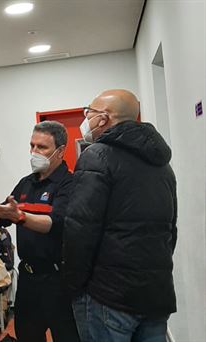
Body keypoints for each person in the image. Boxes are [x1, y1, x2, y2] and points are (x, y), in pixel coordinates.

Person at [64, 89, 177, 342]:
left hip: (109, 296)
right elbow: (171, 230)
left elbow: (80, 230)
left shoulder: (97, 155)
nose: (86, 119)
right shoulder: (162, 164)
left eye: (89, 113)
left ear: (103, 118)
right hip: (156, 293)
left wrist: (74, 287)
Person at [0, 121, 79, 342]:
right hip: (29, 280)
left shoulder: (69, 184)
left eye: (42, 147)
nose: (34, 152)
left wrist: (19, 217)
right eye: (32, 146)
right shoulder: (26, 184)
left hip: (59, 281)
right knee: (28, 336)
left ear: (60, 152)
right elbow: (2, 217)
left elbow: (55, 223)